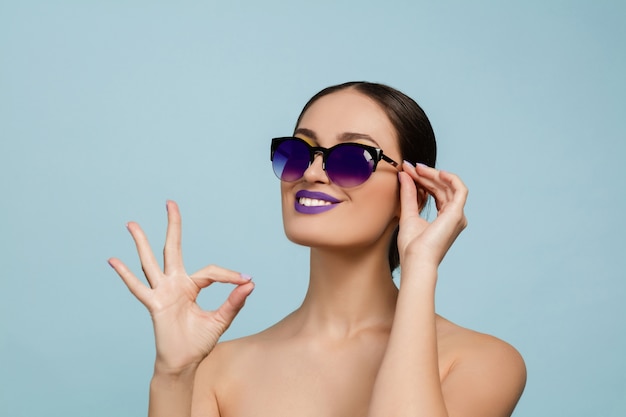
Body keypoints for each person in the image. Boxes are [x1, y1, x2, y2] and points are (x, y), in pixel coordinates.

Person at [108, 81, 526, 417]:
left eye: (350, 158)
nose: (310, 172)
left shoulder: (482, 362)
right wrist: (173, 375)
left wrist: (421, 269)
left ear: (413, 196)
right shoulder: (216, 369)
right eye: (298, 152)